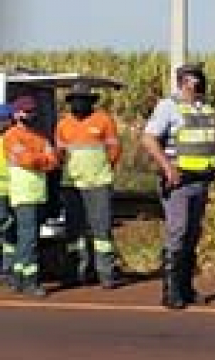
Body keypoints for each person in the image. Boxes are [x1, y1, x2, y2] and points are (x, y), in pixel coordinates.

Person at [141, 63, 215, 310]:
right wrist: (168, 168)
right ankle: (171, 292)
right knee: (177, 232)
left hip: (201, 180)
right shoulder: (168, 106)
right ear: (184, 81)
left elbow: (212, 136)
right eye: (194, 78)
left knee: (192, 234)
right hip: (179, 181)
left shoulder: (204, 107)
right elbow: (148, 139)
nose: (199, 82)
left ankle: (186, 288)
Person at [56, 82, 124, 289]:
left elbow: (114, 150)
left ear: (90, 101)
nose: (78, 104)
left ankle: (106, 274)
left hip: (98, 184)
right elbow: (59, 155)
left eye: (82, 100)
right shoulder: (63, 124)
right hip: (71, 185)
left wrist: (103, 169)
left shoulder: (104, 121)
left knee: (101, 229)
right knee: (73, 231)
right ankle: (76, 272)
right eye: (75, 100)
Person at [4, 95, 59, 297]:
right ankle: (29, 281)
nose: (30, 115)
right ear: (17, 114)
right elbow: (25, 159)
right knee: (28, 238)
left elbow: (53, 161)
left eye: (32, 111)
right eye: (26, 111)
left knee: (27, 237)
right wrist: (40, 159)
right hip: (22, 194)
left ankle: (18, 278)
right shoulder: (11, 136)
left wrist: (38, 159)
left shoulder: (40, 137)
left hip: (37, 194)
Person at [0, 104, 15, 288]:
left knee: (11, 233)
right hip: (3, 192)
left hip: (15, 191)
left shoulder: (14, 138)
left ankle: (8, 269)